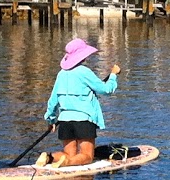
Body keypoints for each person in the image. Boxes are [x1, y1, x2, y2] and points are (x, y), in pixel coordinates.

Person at [36, 37, 122, 169]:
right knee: (87, 156)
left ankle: (49, 157)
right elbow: (106, 90)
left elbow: (53, 101)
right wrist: (113, 75)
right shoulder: (84, 72)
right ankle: (66, 163)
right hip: (83, 120)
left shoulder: (61, 74)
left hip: (65, 121)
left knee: (68, 153)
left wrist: (51, 120)